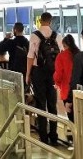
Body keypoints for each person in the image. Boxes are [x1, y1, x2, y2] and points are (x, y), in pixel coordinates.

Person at [25, 12, 63, 146]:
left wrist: (28, 74)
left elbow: (30, 56)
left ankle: (43, 136)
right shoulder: (58, 36)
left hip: (39, 72)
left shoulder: (35, 35)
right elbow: (61, 57)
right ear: (51, 22)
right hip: (53, 73)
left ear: (40, 21)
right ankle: (53, 136)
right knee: (52, 104)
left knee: (41, 104)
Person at [53, 34, 80, 121]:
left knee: (71, 118)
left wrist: (56, 82)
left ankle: (73, 134)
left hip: (67, 91)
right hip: (81, 91)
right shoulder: (80, 54)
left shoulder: (61, 56)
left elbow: (58, 75)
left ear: (64, 45)